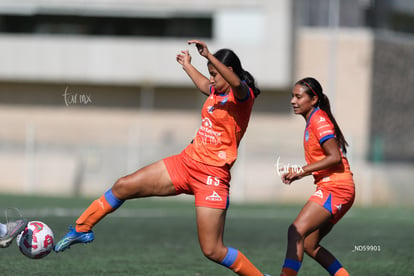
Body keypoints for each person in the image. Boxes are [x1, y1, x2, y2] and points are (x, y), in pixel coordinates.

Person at [54, 40, 269, 276]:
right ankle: (82, 228)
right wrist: (188, 65)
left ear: (229, 72)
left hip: (212, 177)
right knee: (123, 185)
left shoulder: (242, 97)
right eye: (211, 74)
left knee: (212, 250)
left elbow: (236, 82)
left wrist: (208, 54)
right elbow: (202, 85)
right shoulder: (215, 90)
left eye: (215, 74)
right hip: (185, 164)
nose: (212, 79)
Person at [279, 77, 354, 276]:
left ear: (313, 100)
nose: (293, 101)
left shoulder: (319, 120)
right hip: (334, 186)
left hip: (336, 187)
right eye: (292, 96)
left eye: (298, 96)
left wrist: (301, 171)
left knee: (295, 231)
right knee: (309, 244)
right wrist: (301, 173)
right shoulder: (313, 119)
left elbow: (335, 157)